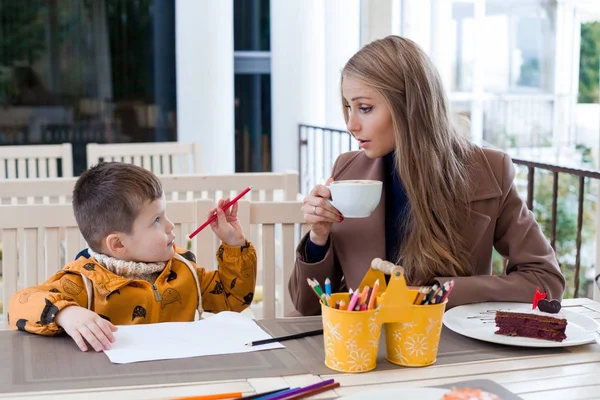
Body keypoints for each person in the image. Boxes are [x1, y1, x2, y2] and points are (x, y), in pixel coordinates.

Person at [289, 35, 565, 316]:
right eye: (349, 107)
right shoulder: (348, 172)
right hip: (367, 350)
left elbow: (544, 280)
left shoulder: (489, 171)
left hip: (454, 350)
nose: (350, 124)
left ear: (410, 106)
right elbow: (308, 307)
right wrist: (318, 237)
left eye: (365, 108)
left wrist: (437, 293)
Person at [9, 162, 257, 351]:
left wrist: (234, 244)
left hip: (183, 378)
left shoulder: (184, 269)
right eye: (157, 220)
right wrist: (66, 314)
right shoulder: (83, 283)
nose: (171, 226)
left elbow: (233, 299)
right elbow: (17, 306)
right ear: (117, 244)